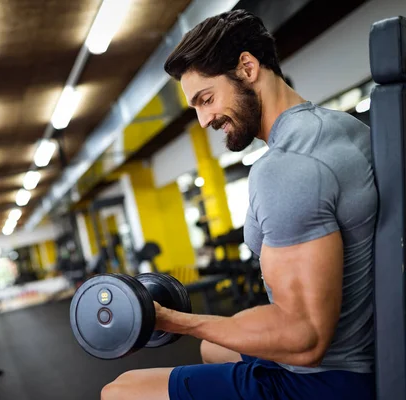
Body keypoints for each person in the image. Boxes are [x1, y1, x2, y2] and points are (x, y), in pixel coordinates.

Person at [102, 10, 375, 400]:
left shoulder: (286, 168)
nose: (203, 120)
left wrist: (174, 320)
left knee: (120, 391)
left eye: (206, 99)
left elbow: (306, 338)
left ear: (247, 68)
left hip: (326, 379)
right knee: (211, 349)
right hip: (363, 347)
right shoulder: (342, 127)